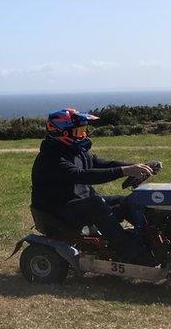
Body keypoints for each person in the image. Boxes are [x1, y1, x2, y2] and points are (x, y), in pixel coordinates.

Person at [31, 108, 156, 265]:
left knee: (126, 201)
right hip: (57, 212)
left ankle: (151, 242)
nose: (83, 135)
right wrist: (124, 171)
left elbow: (102, 164)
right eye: (78, 132)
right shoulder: (51, 158)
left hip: (77, 204)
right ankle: (130, 252)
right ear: (60, 133)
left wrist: (137, 166)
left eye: (84, 131)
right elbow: (82, 175)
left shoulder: (76, 152)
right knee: (95, 204)